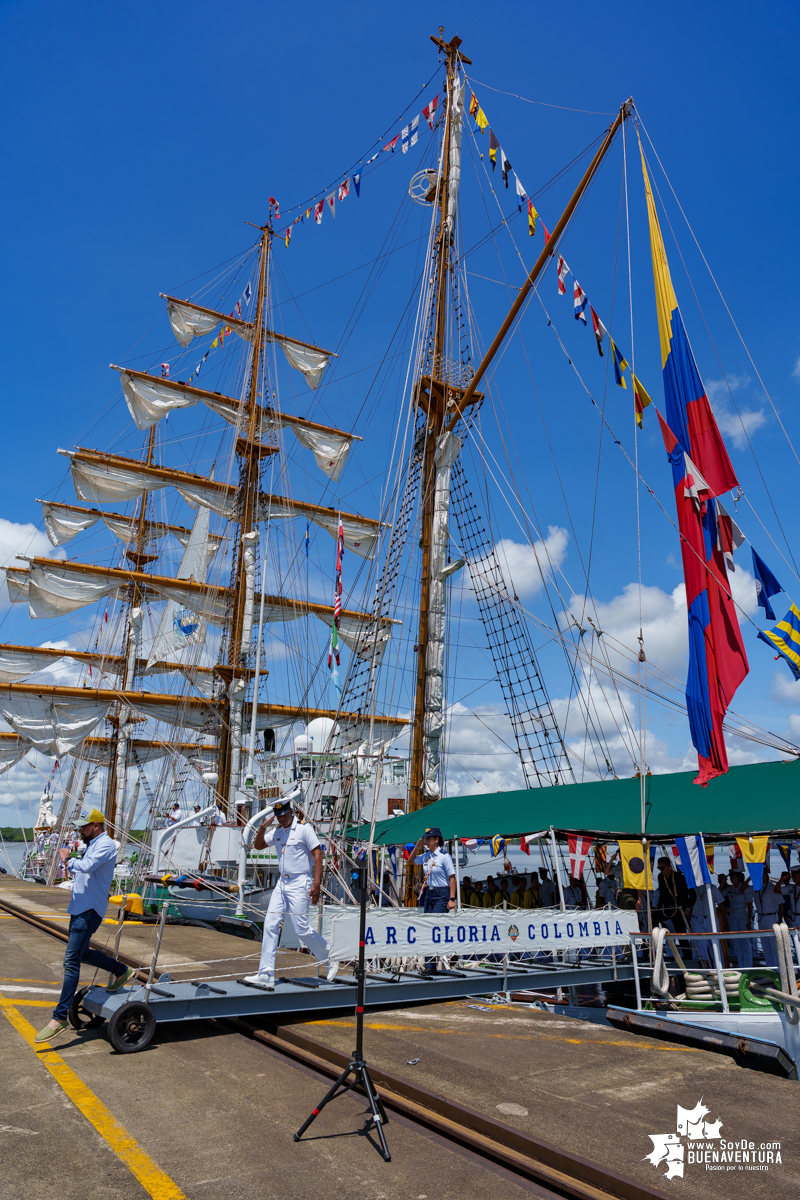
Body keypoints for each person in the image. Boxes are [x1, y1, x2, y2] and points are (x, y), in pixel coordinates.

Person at [35, 809, 135, 1043]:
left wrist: (68, 860)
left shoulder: (106, 844)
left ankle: (58, 1018)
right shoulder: (94, 843)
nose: (80, 830)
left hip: (89, 911)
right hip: (80, 908)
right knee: (81, 954)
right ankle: (121, 970)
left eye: (84, 826)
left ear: (96, 826)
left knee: (71, 961)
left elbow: (87, 866)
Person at [245, 796, 335, 989]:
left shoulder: (303, 829)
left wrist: (317, 884)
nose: (282, 818)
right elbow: (259, 845)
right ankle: (265, 973)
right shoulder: (277, 831)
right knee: (270, 923)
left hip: (300, 882)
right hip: (282, 883)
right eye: (278, 815)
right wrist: (262, 828)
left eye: (284, 814)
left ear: (291, 811)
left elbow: (317, 854)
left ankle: (329, 957)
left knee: (301, 928)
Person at [405, 826, 456, 973]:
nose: (426, 841)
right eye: (426, 838)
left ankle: (437, 961)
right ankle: (430, 965)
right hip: (429, 892)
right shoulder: (427, 856)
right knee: (428, 927)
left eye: (428, 838)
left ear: (436, 840)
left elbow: (452, 879)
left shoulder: (444, 857)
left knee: (434, 925)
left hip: (442, 893)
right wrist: (417, 847)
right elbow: (411, 861)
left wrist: (452, 898)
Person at [690, 880, 725, 965]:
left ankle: (720, 969)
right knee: (701, 945)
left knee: (715, 946)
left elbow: (720, 904)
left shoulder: (712, 888)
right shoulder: (692, 889)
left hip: (710, 918)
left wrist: (725, 921)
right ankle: (705, 969)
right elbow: (690, 907)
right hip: (698, 919)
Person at [754, 872, 784, 967]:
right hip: (761, 917)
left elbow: (780, 904)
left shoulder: (772, 888)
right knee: (765, 944)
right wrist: (751, 878)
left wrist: (780, 919)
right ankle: (771, 968)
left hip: (771, 917)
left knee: (774, 945)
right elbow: (743, 890)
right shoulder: (756, 887)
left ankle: (778, 969)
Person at [726, 869, 755, 968]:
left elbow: (749, 905)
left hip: (743, 915)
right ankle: (741, 965)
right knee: (737, 941)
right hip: (733, 916)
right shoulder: (730, 889)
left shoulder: (745, 888)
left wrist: (749, 921)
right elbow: (720, 894)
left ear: (739, 877)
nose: (731, 879)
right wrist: (722, 882)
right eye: (731, 877)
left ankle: (748, 966)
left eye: (733, 877)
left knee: (745, 942)